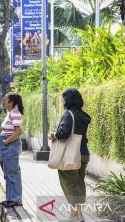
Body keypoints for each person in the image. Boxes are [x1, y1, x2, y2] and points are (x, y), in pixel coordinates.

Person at [49, 88, 91, 222]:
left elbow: (63, 133)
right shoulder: (83, 115)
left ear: (68, 99)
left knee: (70, 185)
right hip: (84, 153)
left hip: (71, 155)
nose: (62, 100)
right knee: (79, 184)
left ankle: (77, 216)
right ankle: (76, 215)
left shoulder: (68, 114)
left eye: (63, 98)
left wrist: (54, 135)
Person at [0, 93, 24, 207]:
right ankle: (10, 198)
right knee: (8, 173)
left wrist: (6, 141)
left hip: (11, 145)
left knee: (13, 173)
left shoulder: (14, 113)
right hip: (8, 145)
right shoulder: (10, 113)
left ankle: (16, 199)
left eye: (5, 99)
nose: (3, 101)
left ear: (11, 102)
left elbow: (18, 132)